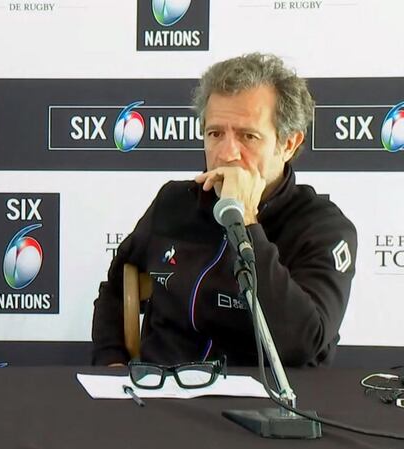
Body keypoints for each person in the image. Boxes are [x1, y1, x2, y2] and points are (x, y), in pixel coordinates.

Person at [92, 53, 357, 367]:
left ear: (287, 144)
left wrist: (245, 219)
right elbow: (116, 287)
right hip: (161, 394)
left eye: (248, 136)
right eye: (215, 134)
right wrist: (111, 362)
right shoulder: (175, 201)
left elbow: (300, 345)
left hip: (265, 402)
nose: (227, 154)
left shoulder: (322, 227)